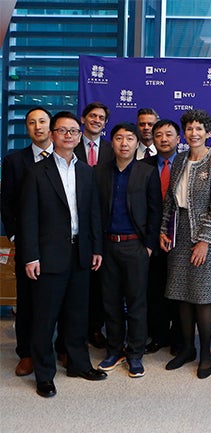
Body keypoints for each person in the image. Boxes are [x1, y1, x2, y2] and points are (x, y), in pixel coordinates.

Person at [20, 111, 107, 397]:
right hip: (47, 256)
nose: (69, 135)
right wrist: (30, 256)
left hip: (80, 252)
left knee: (77, 314)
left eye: (73, 131)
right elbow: (28, 218)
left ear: (80, 136)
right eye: (62, 130)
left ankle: (78, 364)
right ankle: (45, 375)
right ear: (53, 135)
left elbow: (93, 213)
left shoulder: (85, 171)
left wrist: (96, 247)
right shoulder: (36, 172)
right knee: (45, 318)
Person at [160, 109, 211, 379]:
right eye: (189, 128)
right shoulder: (179, 160)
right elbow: (169, 199)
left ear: (208, 133)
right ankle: (187, 348)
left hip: (205, 237)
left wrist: (204, 241)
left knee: (202, 296)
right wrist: (163, 230)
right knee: (181, 294)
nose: (194, 133)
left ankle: (204, 354)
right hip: (178, 233)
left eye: (199, 129)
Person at [95, 122, 162, 378]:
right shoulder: (100, 172)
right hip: (107, 246)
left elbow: (156, 211)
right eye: (119, 138)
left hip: (136, 245)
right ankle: (115, 349)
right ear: (111, 142)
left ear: (137, 143)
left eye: (129, 138)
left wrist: (148, 246)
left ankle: (135, 354)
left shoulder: (147, 172)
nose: (124, 143)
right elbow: (93, 212)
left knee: (136, 303)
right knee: (110, 302)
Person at [1, 107, 53, 376]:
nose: (38, 127)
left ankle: (63, 349)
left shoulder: (67, 157)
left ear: (51, 125)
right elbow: (6, 203)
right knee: (28, 299)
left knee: (62, 298)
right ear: (27, 128)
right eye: (31, 123)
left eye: (42, 121)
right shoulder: (14, 161)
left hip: (59, 242)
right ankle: (26, 353)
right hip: (27, 241)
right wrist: (14, 237)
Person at [74, 101, 115, 350]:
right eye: (92, 116)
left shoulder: (113, 149)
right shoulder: (68, 146)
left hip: (105, 226)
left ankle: (94, 328)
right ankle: (74, 330)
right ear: (83, 119)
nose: (96, 120)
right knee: (77, 281)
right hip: (75, 224)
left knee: (100, 284)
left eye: (101, 117)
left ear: (105, 123)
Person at [143, 119, 181, 355]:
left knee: (178, 290)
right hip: (151, 239)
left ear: (179, 139)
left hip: (181, 238)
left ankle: (179, 337)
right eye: (159, 135)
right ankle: (158, 335)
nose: (164, 139)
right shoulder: (142, 166)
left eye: (169, 135)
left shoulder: (189, 164)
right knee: (154, 289)